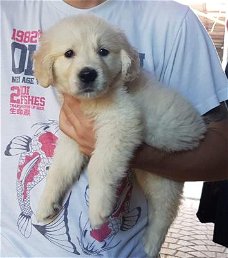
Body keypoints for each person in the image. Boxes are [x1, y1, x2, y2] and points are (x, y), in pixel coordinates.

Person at [1, 1, 227, 257]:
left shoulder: (174, 21)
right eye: (69, 54)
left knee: (162, 192)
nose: (87, 67)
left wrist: (135, 158)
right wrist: (50, 194)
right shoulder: (8, 11)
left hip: (127, 244)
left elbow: (221, 152)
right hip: (12, 249)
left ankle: (157, 233)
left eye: (102, 51)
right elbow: (70, 147)